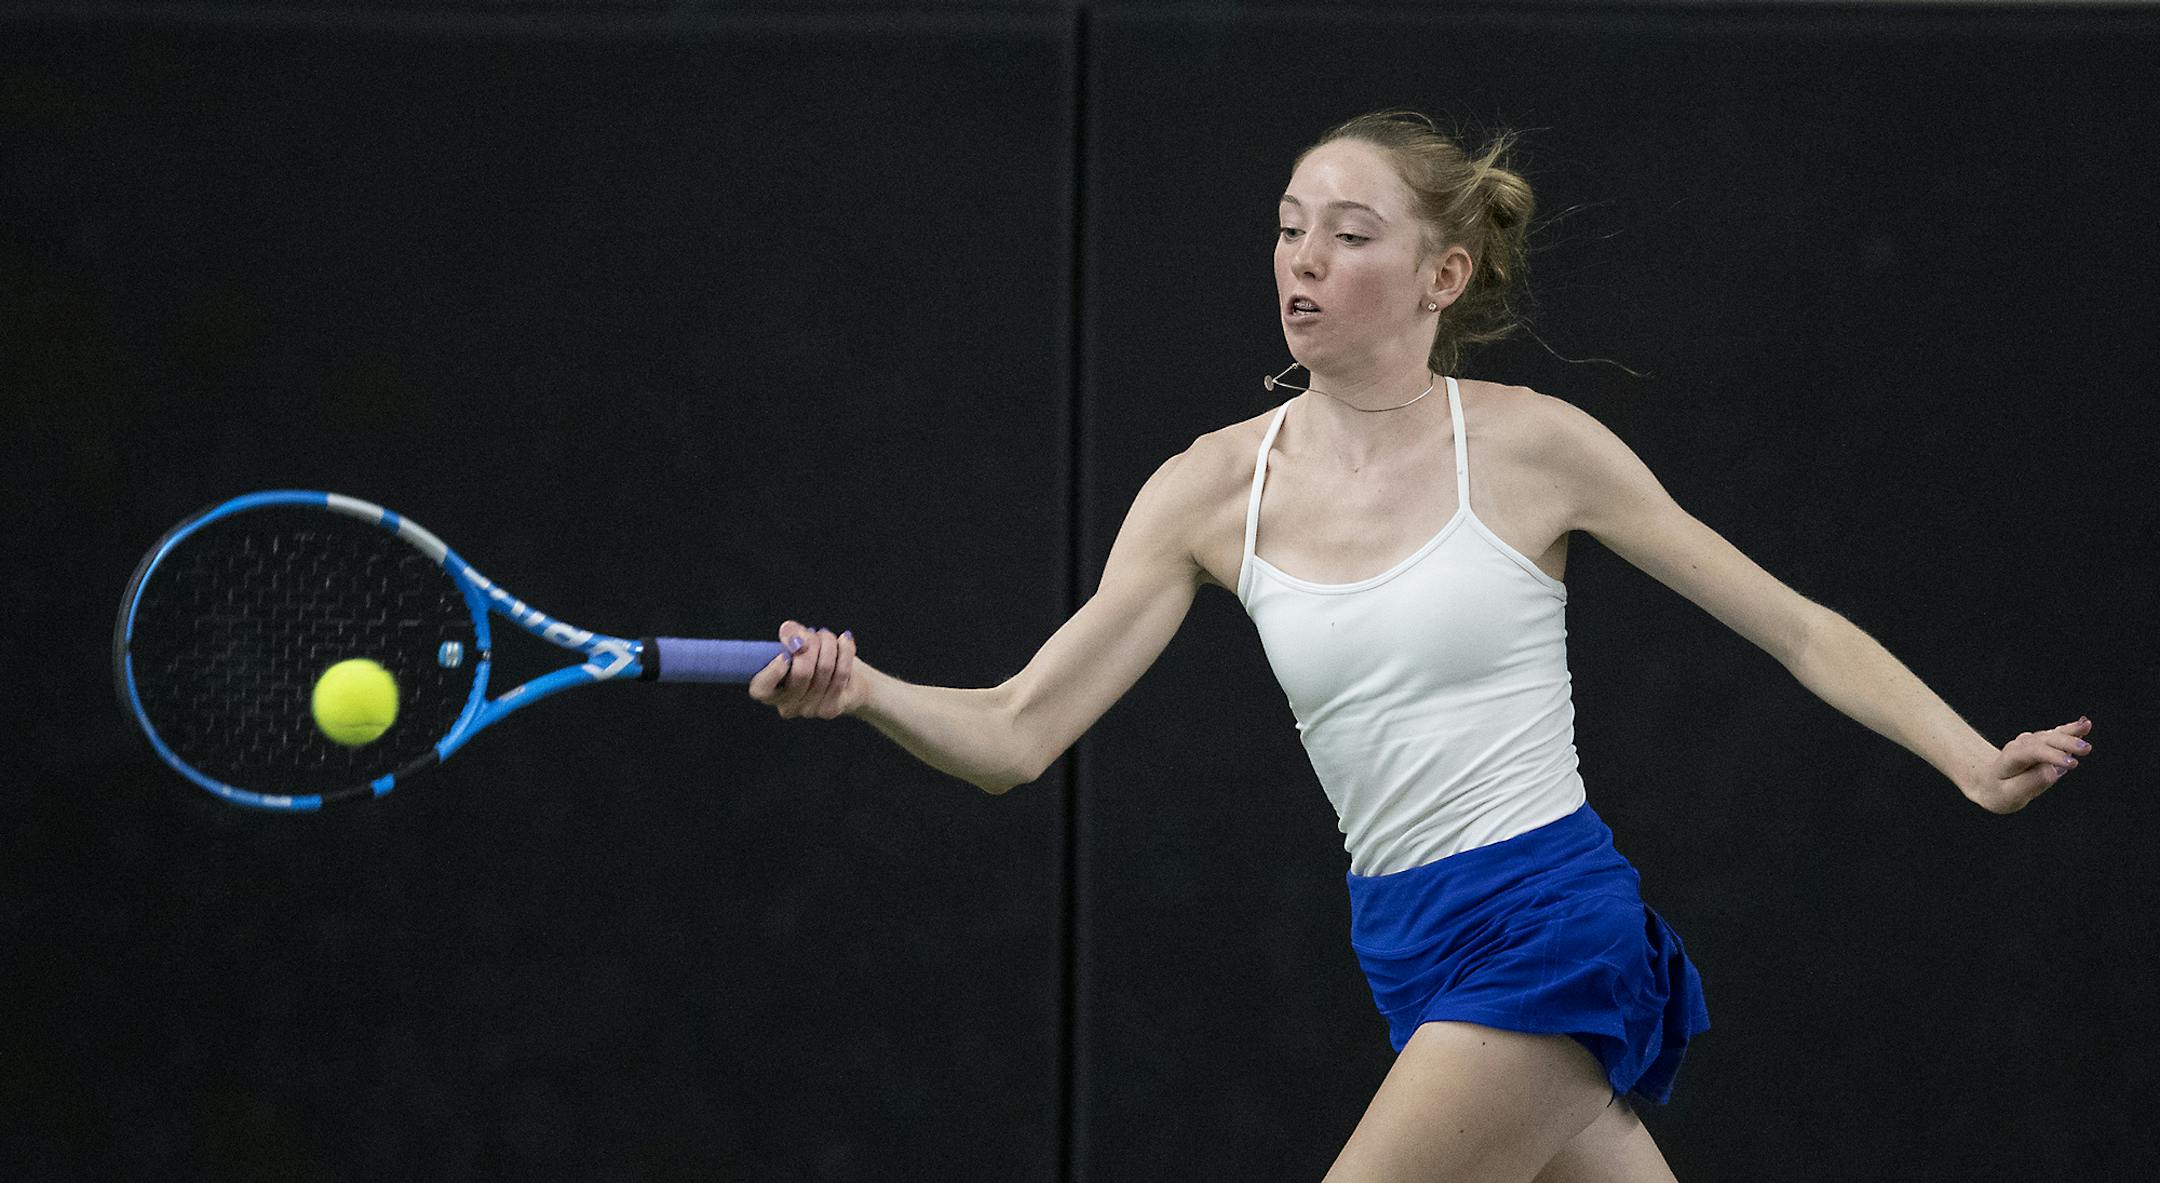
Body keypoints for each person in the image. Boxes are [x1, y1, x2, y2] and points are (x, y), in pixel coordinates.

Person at [745, 111, 2096, 1182]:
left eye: (1346, 234)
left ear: (1443, 274)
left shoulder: (1531, 446)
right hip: (1404, 945)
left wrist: (1966, 756)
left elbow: (1794, 625)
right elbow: (1018, 733)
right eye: (1288, 233)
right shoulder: (1210, 492)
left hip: (1552, 923)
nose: (1304, 262)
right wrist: (865, 690)